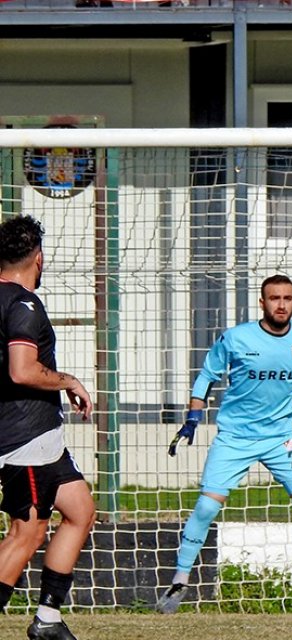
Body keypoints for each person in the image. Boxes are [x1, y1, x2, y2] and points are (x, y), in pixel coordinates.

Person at [158, 275, 292, 614]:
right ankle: (178, 584)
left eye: (288, 298)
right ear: (261, 303)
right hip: (236, 438)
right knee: (206, 508)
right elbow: (207, 375)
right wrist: (192, 419)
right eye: (274, 298)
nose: (281, 304)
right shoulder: (236, 338)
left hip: (281, 438)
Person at [0, 215, 95, 640]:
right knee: (27, 533)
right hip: (27, 440)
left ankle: (49, 621)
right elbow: (22, 371)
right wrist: (68, 380)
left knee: (79, 510)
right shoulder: (23, 304)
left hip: (38, 438)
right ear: (38, 258)